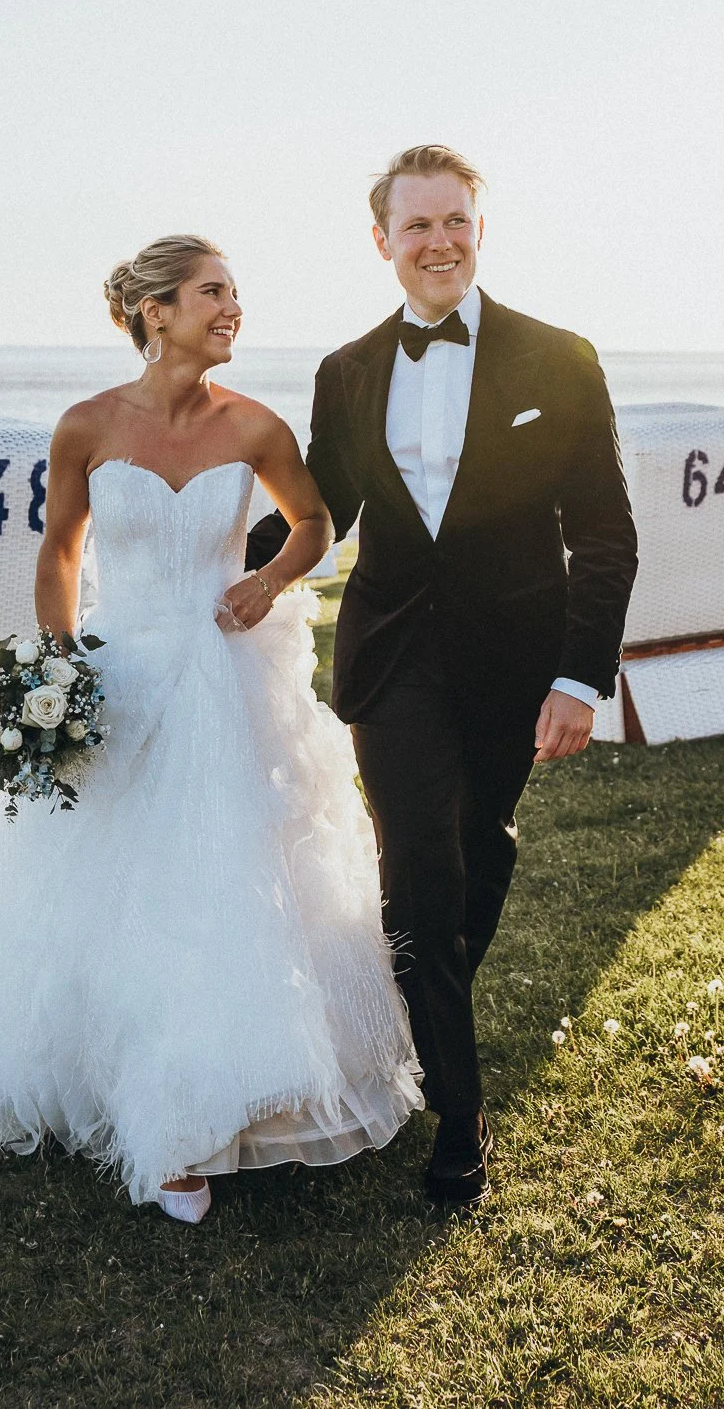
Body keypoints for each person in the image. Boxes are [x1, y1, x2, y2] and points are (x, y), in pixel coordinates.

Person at [0, 234, 422, 1225]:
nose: (232, 308)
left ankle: (213, 1105)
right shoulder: (85, 425)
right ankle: (117, 1091)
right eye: (212, 293)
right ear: (155, 311)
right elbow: (59, 554)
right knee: (98, 884)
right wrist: (58, 667)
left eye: (236, 293)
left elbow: (318, 525)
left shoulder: (258, 426)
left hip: (226, 675)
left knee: (222, 880)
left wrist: (267, 578)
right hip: (120, 673)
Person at [247, 146, 639, 1204]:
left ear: (479, 227)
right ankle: (457, 1114)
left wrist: (580, 678)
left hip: (515, 660)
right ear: (382, 241)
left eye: (454, 220)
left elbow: (604, 535)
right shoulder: (348, 369)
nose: (438, 242)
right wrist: (225, 574)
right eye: (416, 225)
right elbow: (322, 508)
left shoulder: (560, 358)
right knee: (417, 866)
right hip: (392, 660)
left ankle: (426, 1003)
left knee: (477, 858)